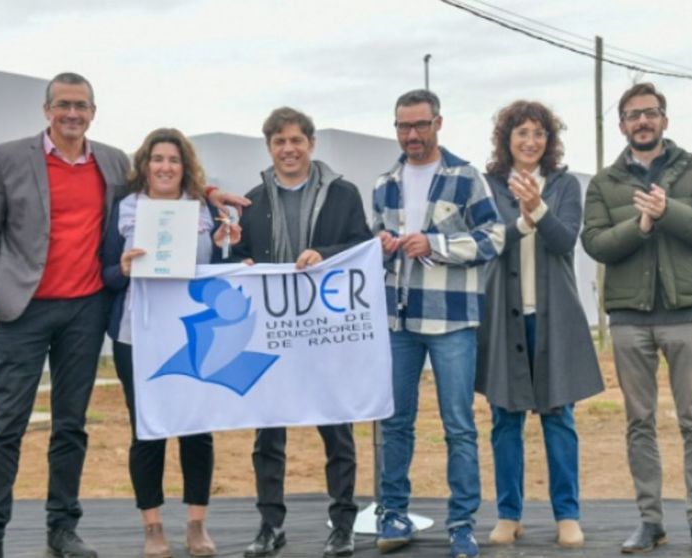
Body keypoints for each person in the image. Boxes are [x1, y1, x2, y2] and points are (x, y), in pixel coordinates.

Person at [0, 72, 248, 558]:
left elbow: (165, 184)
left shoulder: (113, 162)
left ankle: (62, 530)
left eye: (81, 106)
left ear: (93, 112)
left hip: (86, 312)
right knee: (6, 425)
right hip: (24, 312)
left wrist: (212, 193)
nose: (72, 114)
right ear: (46, 109)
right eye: (63, 105)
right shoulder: (7, 158)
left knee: (71, 426)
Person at [581, 82, 692, 558]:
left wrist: (668, 211)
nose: (641, 121)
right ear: (621, 125)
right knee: (639, 421)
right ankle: (650, 521)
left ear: (665, 119)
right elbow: (595, 243)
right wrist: (641, 225)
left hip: (687, 315)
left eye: (649, 113)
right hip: (629, 319)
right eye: (632, 115)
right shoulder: (604, 183)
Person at [216, 107, 372, 558]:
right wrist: (237, 260)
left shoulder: (343, 194)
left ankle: (343, 522)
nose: (289, 149)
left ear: (311, 144)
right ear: (269, 148)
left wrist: (324, 253)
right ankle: (270, 524)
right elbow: (237, 257)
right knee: (268, 434)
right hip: (270, 332)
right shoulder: (251, 200)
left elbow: (362, 245)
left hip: (325, 330)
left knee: (336, 429)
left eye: (296, 140)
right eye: (280, 142)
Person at [372, 89, 504, 558]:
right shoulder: (384, 182)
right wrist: (383, 246)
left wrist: (436, 245)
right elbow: (372, 246)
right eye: (403, 126)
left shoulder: (466, 178)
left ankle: (462, 523)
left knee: (459, 425)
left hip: (452, 320)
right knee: (394, 424)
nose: (411, 135)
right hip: (399, 318)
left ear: (438, 124)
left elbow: (494, 238)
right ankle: (393, 513)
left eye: (420, 125)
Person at [476, 100, 604, 549]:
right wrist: (522, 217)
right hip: (503, 316)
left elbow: (566, 240)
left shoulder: (566, 184)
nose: (531, 141)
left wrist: (539, 209)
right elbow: (487, 242)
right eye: (522, 133)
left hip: (555, 317)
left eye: (539, 134)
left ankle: (567, 515)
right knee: (505, 418)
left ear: (549, 141)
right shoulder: (487, 184)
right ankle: (508, 515)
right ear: (506, 139)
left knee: (559, 416)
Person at [102, 128, 235, 558]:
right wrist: (121, 269)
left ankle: (197, 526)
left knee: (196, 428)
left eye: (174, 160)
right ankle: (153, 527)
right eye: (157, 159)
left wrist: (222, 248)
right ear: (145, 165)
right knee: (148, 429)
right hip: (135, 335)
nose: (165, 167)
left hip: (194, 333)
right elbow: (104, 273)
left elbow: (226, 265)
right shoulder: (124, 209)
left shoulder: (202, 210)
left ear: (185, 167)